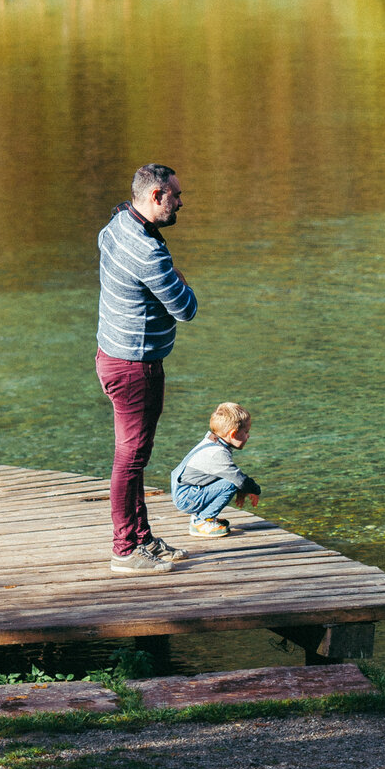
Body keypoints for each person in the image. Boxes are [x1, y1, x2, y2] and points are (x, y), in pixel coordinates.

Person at [96, 163, 197, 574]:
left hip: (111, 357)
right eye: (175, 196)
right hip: (135, 368)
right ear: (156, 196)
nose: (181, 202)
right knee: (130, 458)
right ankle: (125, 549)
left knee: (134, 456)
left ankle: (142, 538)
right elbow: (186, 309)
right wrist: (179, 277)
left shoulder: (116, 224)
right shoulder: (149, 252)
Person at [168, 402, 261, 538]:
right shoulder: (217, 454)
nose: (248, 436)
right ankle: (202, 521)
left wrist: (243, 490)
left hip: (187, 491)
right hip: (186, 498)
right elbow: (240, 480)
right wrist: (255, 490)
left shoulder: (212, 441)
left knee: (230, 480)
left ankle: (201, 516)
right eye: (246, 432)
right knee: (231, 484)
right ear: (233, 434)